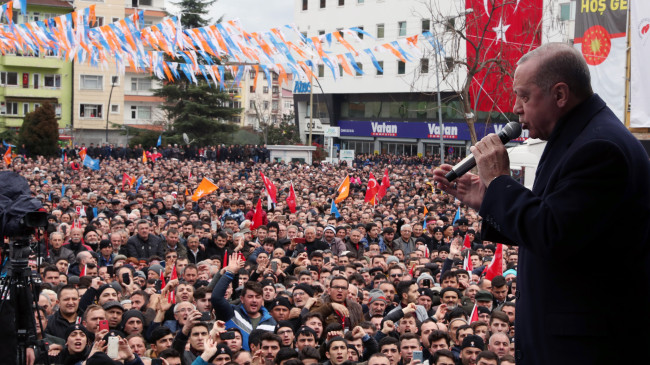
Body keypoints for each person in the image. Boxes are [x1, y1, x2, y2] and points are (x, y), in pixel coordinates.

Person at [433, 42, 650, 364]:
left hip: (585, 347)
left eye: (524, 96)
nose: (516, 109)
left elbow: (553, 234)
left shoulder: (599, 148)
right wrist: (485, 198)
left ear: (560, 94)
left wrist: (499, 181)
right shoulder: (576, 138)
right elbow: (566, 227)